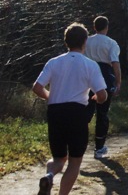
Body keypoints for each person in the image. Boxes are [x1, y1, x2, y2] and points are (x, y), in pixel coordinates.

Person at [32, 23, 108, 195]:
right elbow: (102, 95)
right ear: (85, 42)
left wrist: (51, 96)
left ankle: (50, 175)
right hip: (77, 113)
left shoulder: (54, 62)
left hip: (55, 112)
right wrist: (97, 98)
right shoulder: (90, 64)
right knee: (74, 161)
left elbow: (37, 87)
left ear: (66, 41)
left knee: (59, 158)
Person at [84, 15, 121, 159]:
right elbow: (115, 63)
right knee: (102, 113)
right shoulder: (111, 43)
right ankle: (99, 147)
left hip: (87, 75)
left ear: (94, 27)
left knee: (85, 112)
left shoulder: (86, 41)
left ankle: (79, 144)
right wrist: (118, 81)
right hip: (104, 75)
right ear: (107, 27)